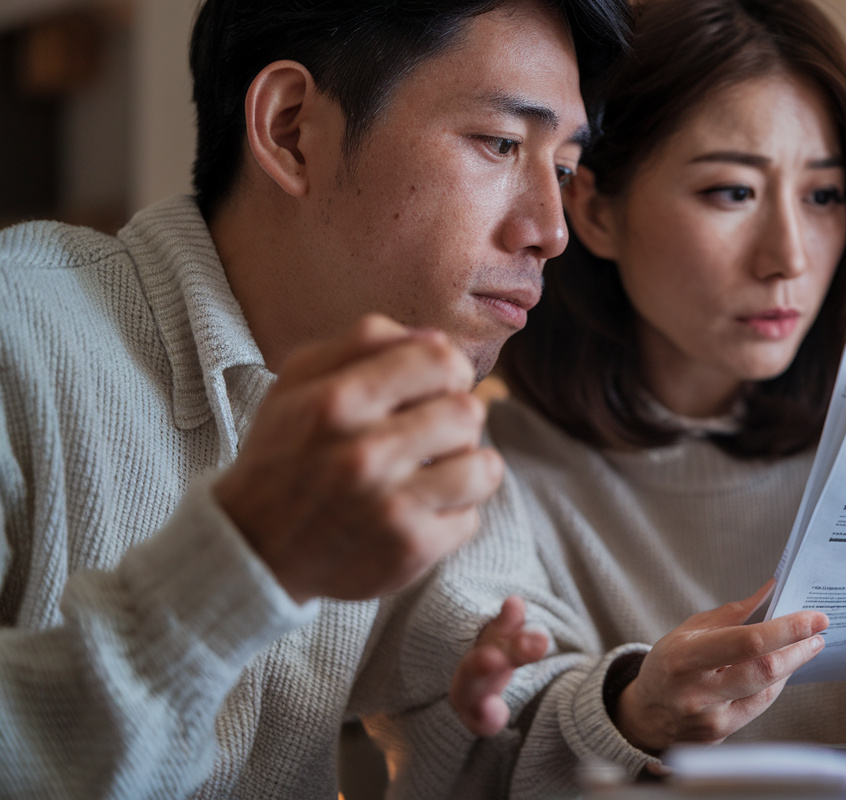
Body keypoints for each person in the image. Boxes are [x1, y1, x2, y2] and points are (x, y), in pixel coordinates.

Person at [365, 0, 846, 796]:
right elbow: (464, 761)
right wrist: (632, 713)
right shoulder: (484, 460)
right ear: (596, 211)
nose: (788, 257)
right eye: (732, 193)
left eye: (823, 197)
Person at [0, 0, 628, 797]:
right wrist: (250, 558)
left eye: (564, 169)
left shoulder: (421, 403)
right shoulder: (18, 330)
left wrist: (632, 710)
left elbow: (498, 721)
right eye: (501, 143)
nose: (551, 228)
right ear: (292, 128)